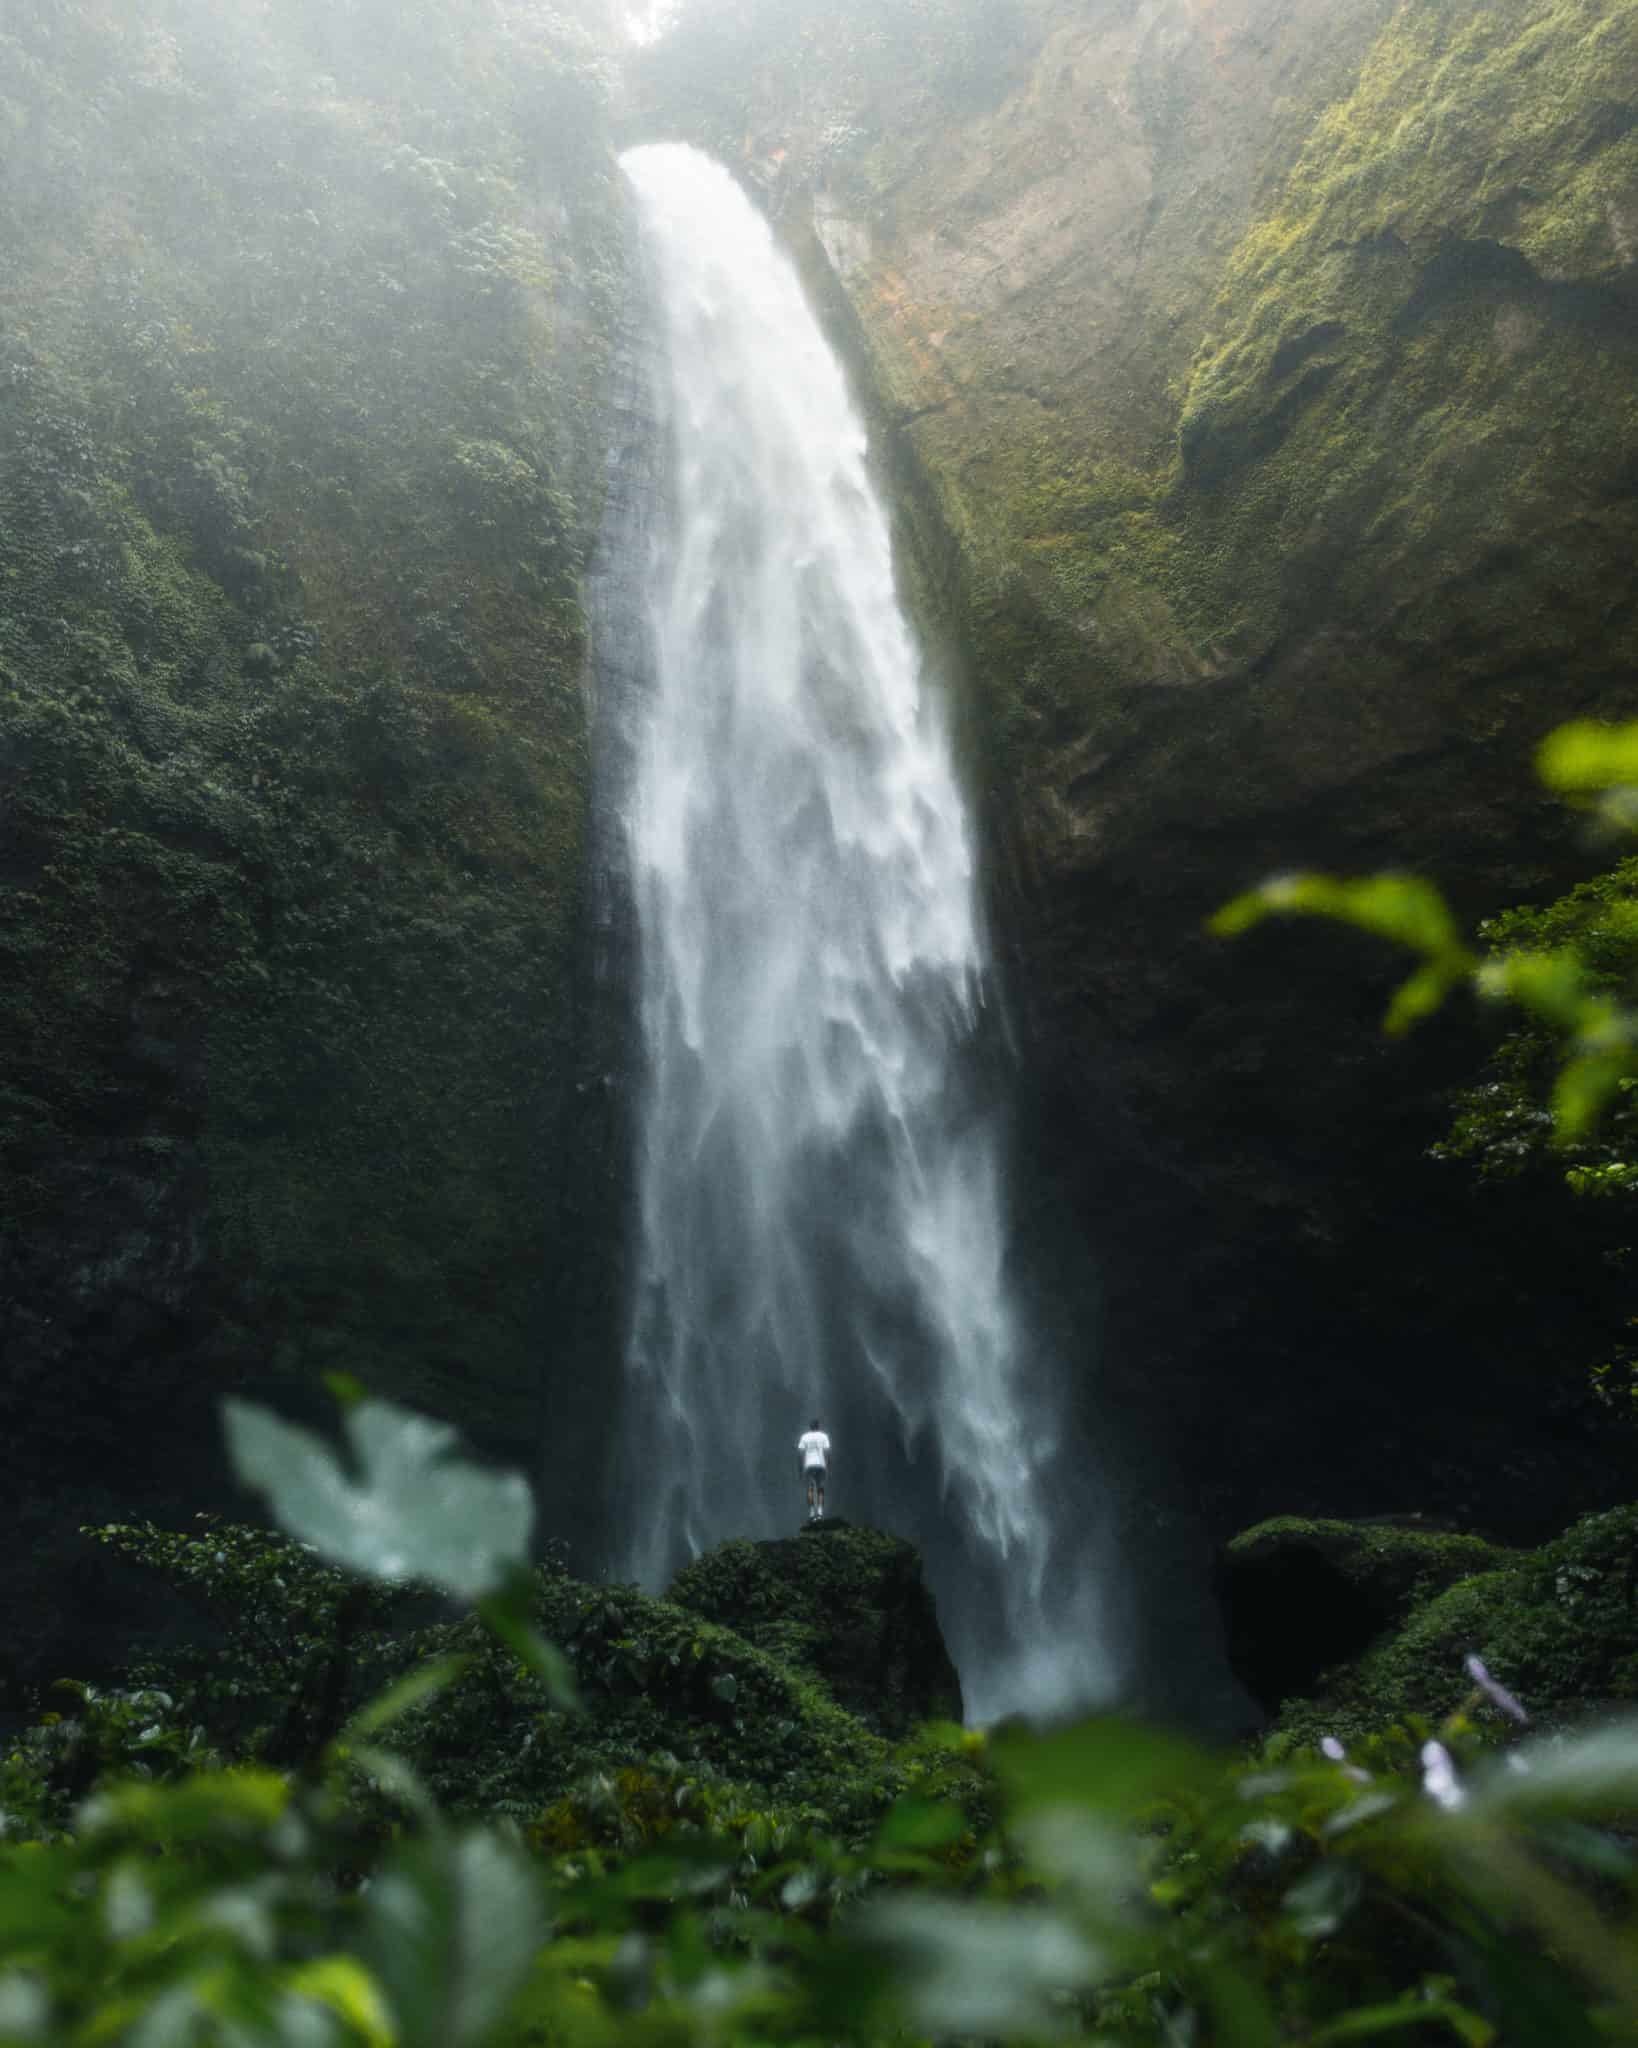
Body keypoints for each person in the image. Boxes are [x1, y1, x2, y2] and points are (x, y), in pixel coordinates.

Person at [796, 1416, 831, 1522]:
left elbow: (800, 1454)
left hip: (809, 1465)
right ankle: (820, 1513)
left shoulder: (804, 1437)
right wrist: (828, 1467)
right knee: (820, 1489)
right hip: (821, 1465)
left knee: (810, 1489)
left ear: (810, 1427)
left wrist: (800, 1468)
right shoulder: (824, 1436)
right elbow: (827, 1453)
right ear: (818, 1426)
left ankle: (812, 1513)